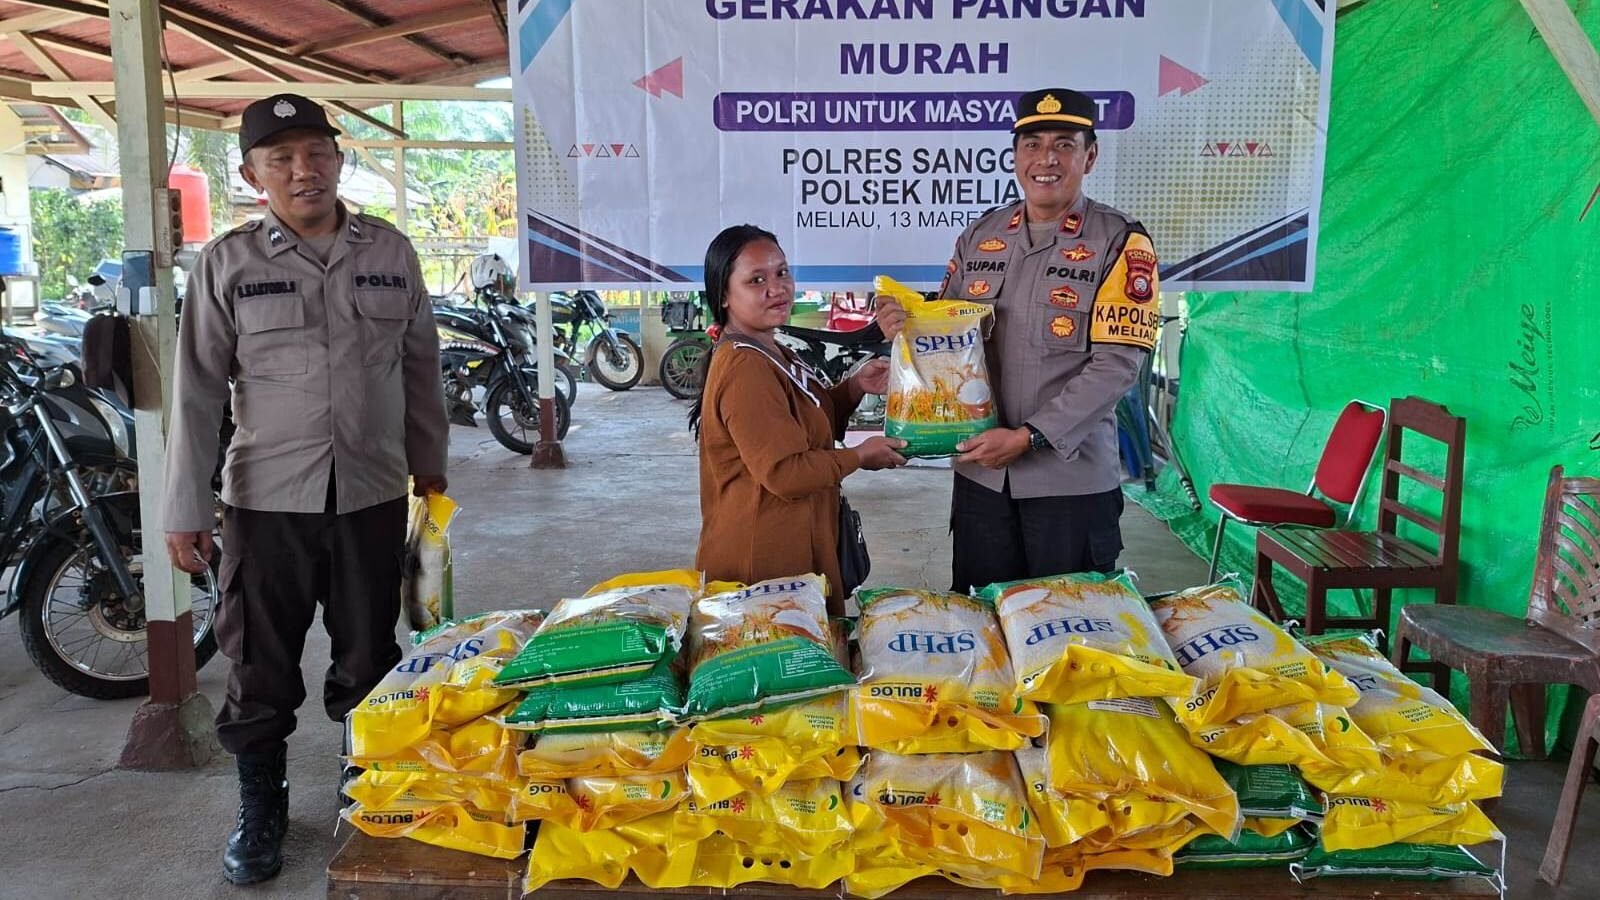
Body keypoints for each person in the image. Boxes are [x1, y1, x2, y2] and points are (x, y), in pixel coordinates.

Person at [162, 93, 449, 885]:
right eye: (281, 159)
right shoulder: (228, 263)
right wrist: (184, 506)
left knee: (370, 655)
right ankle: (263, 806)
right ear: (255, 174)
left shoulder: (391, 251)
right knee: (258, 666)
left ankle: (365, 786)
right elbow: (193, 394)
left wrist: (432, 468)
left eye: (316, 153)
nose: (302, 170)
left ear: (339, 160)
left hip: (370, 493)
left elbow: (421, 368)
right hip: (264, 500)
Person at [875, 88, 1159, 593]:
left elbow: (1117, 365)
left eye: (1063, 144)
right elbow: (945, 337)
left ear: (1089, 156)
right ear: (1014, 156)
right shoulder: (980, 236)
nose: (1045, 159)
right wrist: (905, 327)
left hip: (1069, 483)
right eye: (1031, 144)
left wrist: (1030, 436)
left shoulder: (1119, 241)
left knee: (1069, 633)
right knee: (985, 628)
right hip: (981, 478)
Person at [692, 225, 907, 615]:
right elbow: (785, 472)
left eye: (782, 273)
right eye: (756, 280)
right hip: (764, 564)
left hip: (795, 550)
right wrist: (859, 457)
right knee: (781, 664)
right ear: (724, 294)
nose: (777, 288)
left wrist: (855, 387)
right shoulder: (745, 367)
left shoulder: (771, 349)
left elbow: (808, 424)